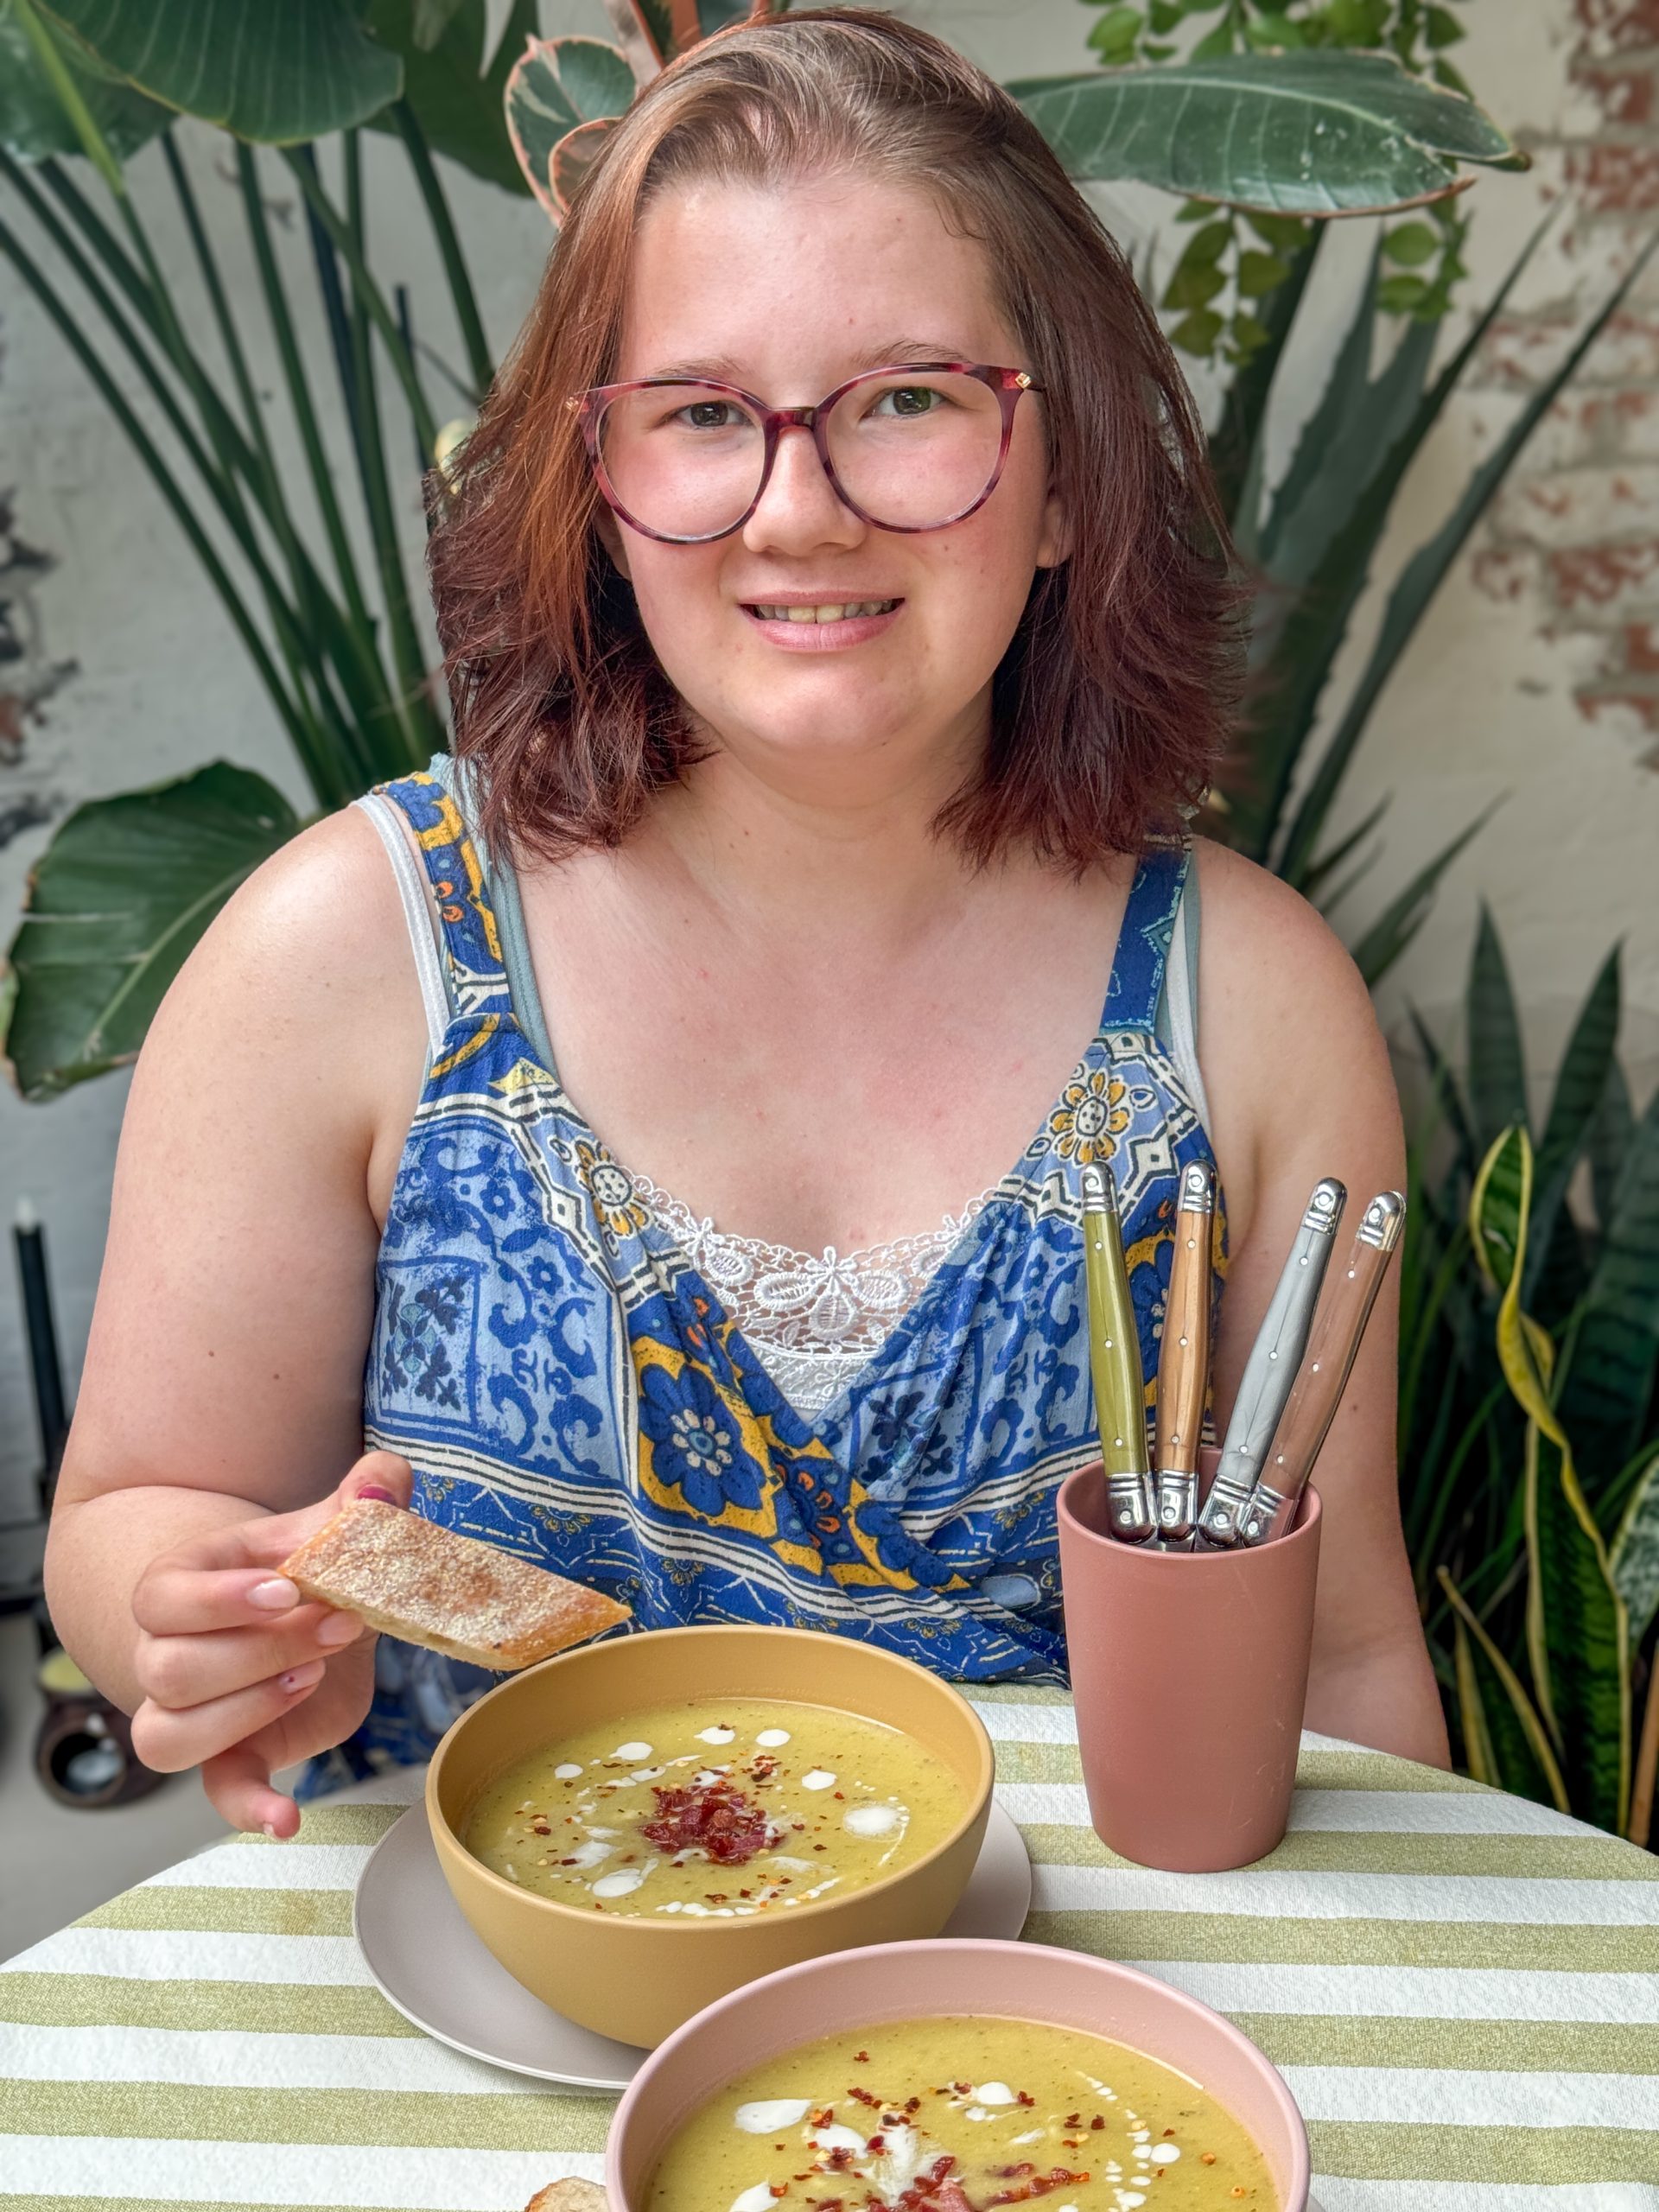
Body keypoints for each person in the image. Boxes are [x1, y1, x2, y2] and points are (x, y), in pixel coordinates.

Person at [43, 10, 1449, 1838]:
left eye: (910, 401)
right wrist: (205, 1624)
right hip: (489, 2023)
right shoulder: (345, 949)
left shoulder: (1243, 1005)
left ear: (1067, 481)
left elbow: (1338, 1670)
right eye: (707, 414)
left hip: (1044, 2067)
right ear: (598, 483)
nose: (802, 507)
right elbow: (138, 1510)